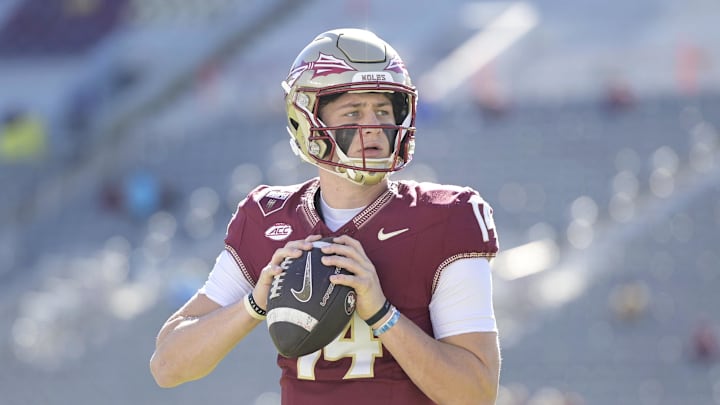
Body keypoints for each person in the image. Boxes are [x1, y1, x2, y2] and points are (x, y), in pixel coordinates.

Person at [150, 28, 501, 404]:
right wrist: (254, 304)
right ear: (308, 121)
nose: (375, 127)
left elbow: (476, 394)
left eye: (383, 110)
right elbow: (168, 366)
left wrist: (383, 314)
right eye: (353, 112)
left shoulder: (445, 217)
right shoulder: (268, 218)